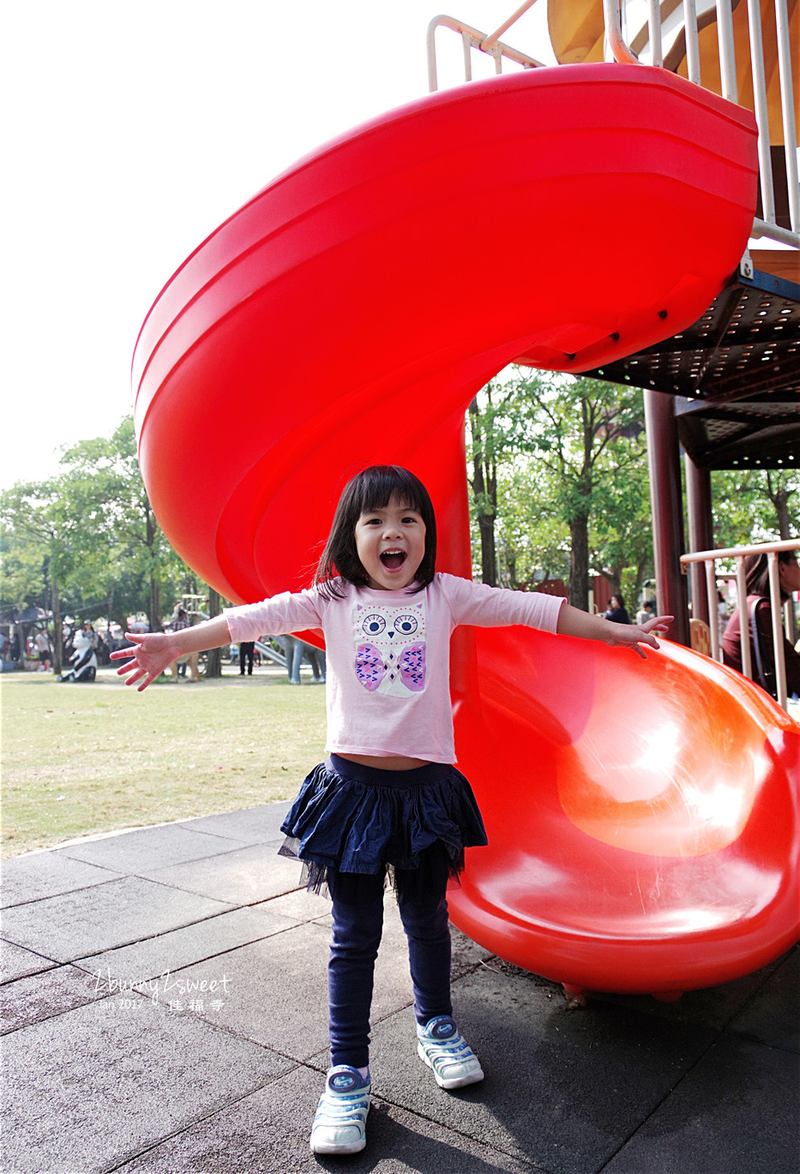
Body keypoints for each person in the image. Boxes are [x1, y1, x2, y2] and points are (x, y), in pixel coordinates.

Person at [113, 465, 671, 1158]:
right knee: (354, 937)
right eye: (376, 519)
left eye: (409, 518)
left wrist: (613, 633)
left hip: (426, 793)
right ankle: (347, 1074)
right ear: (353, 536)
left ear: (425, 535)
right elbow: (253, 618)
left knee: (427, 922)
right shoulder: (333, 598)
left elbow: (531, 607)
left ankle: (435, 1024)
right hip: (353, 796)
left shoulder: (444, 596)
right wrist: (177, 643)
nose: (393, 531)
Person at [721, 550, 800, 698]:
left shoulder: (753, 605)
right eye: (796, 562)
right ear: (782, 568)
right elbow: (792, 671)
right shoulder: (762, 609)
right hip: (758, 704)